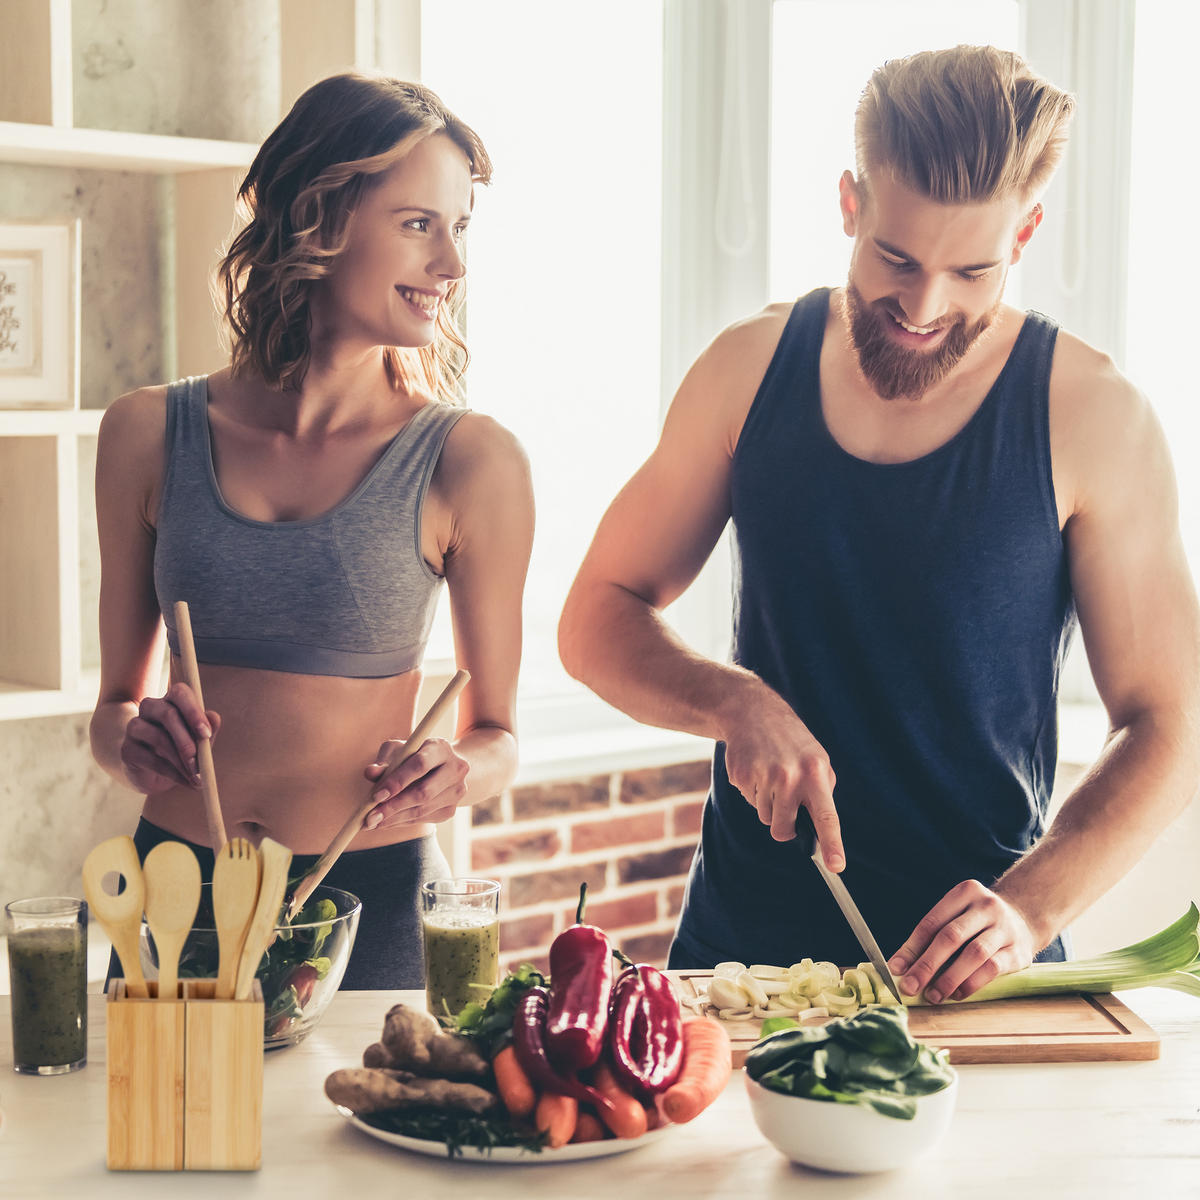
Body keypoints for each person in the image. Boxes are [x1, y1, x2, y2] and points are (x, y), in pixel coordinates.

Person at [558, 46, 1200, 1004]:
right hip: (739, 965)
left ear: (1023, 235)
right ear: (850, 205)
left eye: (970, 271)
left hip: (972, 981)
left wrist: (1030, 908)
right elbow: (595, 616)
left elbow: (1169, 721)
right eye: (896, 259)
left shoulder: (1093, 414)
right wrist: (729, 700)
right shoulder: (745, 370)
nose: (924, 306)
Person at [90, 73, 534, 989]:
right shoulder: (144, 434)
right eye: (420, 224)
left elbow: (497, 735)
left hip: (371, 903)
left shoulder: (470, 462)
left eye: (460, 230)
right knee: (150, 1137)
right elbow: (112, 715)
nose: (451, 265)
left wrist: (457, 773)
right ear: (317, 219)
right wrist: (132, 739)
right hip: (177, 894)